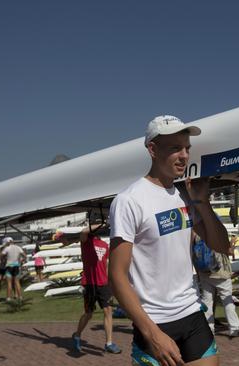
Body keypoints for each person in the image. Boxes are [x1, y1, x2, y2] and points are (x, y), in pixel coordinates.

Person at [109, 115, 230, 366]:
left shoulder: (185, 196)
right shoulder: (129, 200)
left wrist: (202, 202)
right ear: (152, 150)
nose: (184, 155)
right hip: (154, 322)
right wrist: (152, 335)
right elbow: (117, 276)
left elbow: (221, 246)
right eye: (175, 148)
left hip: (192, 316)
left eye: (187, 148)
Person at [69, 223, 121, 354]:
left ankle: (109, 343)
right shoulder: (86, 241)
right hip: (89, 283)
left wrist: (110, 281)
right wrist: (103, 222)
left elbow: (105, 264)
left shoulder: (104, 245)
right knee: (88, 313)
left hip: (103, 283)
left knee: (108, 310)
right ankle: (77, 335)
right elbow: (83, 231)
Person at [192, 231, 239, 338]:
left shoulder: (195, 233)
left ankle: (209, 329)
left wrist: (199, 273)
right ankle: (234, 328)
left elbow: (193, 255)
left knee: (207, 302)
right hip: (221, 272)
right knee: (227, 301)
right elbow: (229, 252)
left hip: (204, 273)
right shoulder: (217, 232)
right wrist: (232, 243)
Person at [0, 237, 26, 302]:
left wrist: (3, 259)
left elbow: (1, 256)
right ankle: (20, 297)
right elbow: (25, 256)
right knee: (17, 282)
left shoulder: (7, 248)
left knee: (9, 283)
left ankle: (8, 298)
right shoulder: (18, 247)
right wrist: (21, 261)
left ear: (8, 242)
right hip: (16, 266)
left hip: (9, 266)